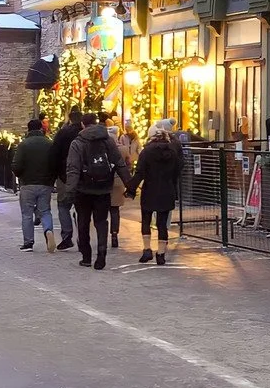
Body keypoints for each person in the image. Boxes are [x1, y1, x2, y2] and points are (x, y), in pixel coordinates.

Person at [64, 112, 133, 270]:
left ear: (82, 124)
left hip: (83, 189)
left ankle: (86, 256)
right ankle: (101, 253)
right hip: (103, 187)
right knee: (101, 222)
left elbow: (73, 169)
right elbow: (119, 163)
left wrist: (70, 192)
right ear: (96, 123)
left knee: (83, 222)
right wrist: (130, 185)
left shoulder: (77, 143)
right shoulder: (107, 140)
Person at [129, 119, 183, 265]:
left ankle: (147, 250)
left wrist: (131, 189)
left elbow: (139, 172)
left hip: (150, 189)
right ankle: (161, 253)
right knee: (162, 223)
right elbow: (178, 169)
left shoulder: (146, 151)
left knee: (146, 219)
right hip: (167, 190)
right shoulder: (172, 151)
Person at [12, 119, 56, 252]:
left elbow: (16, 165)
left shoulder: (23, 145)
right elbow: (55, 163)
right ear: (41, 128)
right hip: (45, 183)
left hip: (27, 183)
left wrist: (20, 175)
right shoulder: (49, 143)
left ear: (28, 129)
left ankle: (28, 242)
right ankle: (48, 230)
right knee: (45, 211)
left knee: (27, 214)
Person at [50, 109, 85, 252]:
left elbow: (54, 154)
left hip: (65, 175)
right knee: (81, 208)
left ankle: (67, 235)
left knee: (64, 205)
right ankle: (83, 237)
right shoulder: (85, 134)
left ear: (69, 119)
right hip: (84, 176)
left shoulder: (63, 133)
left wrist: (55, 174)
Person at [107, 125, 141, 250]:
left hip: (104, 182)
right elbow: (128, 164)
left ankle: (103, 234)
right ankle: (114, 234)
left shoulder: (104, 149)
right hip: (118, 181)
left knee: (102, 210)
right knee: (115, 210)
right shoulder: (124, 149)